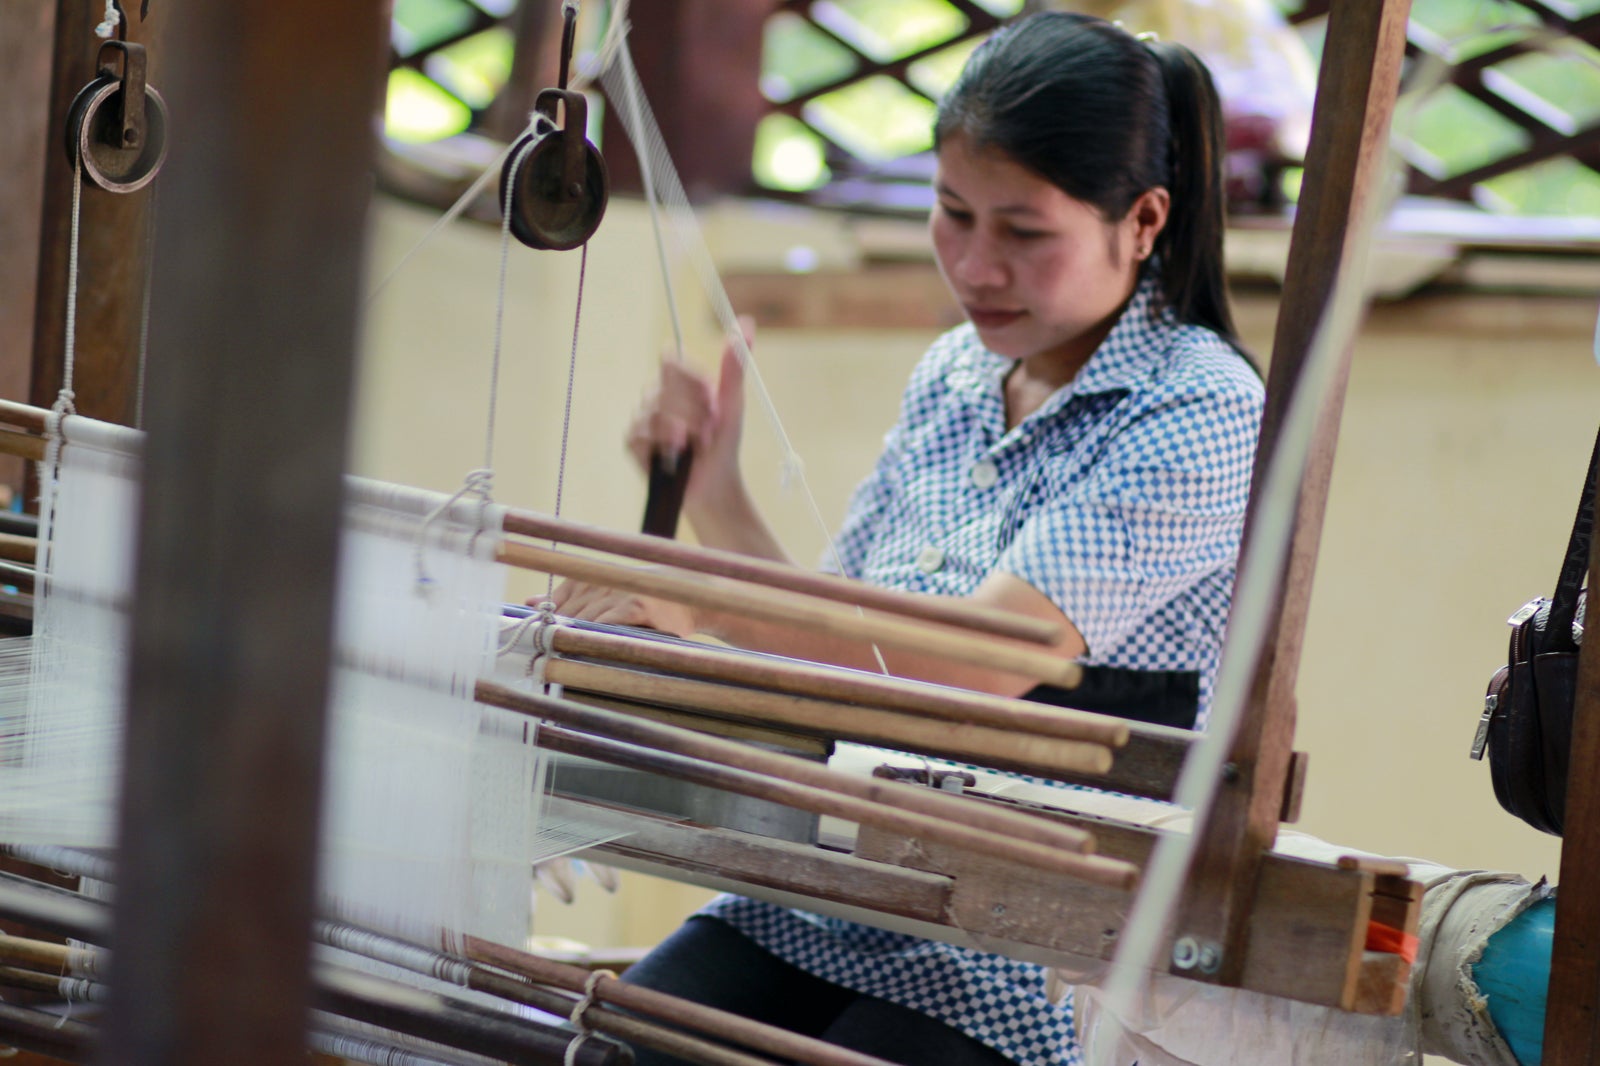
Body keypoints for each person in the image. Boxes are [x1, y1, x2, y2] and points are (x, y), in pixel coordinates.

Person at [549, 12, 1265, 1065]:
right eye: (951, 213)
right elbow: (836, 640)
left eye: (1023, 233)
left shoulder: (1199, 404)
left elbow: (989, 657)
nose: (975, 266)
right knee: (616, 1048)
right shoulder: (956, 374)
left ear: (1144, 219)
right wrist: (717, 494)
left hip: (1029, 938)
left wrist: (697, 597)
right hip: (841, 884)